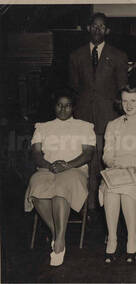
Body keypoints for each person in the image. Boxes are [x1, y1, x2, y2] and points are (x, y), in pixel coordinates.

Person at [24, 89, 96, 266]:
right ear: (54, 106)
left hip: (74, 170)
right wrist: (49, 166)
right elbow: (36, 153)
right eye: (59, 105)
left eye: (67, 106)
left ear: (73, 107)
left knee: (61, 190)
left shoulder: (85, 126)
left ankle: (59, 243)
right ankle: (58, 233)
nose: (63, 109)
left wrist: (67, 165)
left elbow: (88, 154)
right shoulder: (42, 127)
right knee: (36, 186)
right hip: (47, 169)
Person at [69, 12, 128, 214]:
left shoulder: (119, 56)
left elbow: (122, 89)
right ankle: (87, 204)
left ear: (108, 31)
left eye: (102, 27)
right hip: (83, 117)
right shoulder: (76, 56)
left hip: (108, 117)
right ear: (88, 28)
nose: (97, 30)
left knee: (106, 160)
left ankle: (107, 205)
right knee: (86, 160)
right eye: (94, 26)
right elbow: (75, 87)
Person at [99, 86, 136, 264]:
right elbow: (107, 154)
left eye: (133, 100)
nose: (129, 104)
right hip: (117, 169)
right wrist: (113, 164)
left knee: (126, 190)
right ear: (120, 103)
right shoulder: (113, 125)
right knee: (111, 189)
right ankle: (112, 238)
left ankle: (131, 238)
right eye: (125, 100)